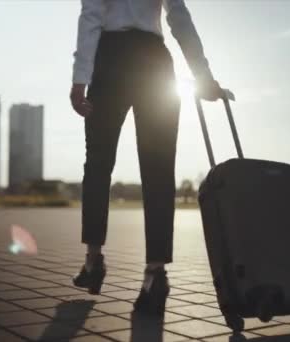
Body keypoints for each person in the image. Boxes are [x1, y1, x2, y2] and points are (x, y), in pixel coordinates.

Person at [70, 0, 224, 315]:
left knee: (98, 165)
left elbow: (91, 16)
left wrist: (79, 79)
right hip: (155, 61)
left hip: (111, 60)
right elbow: (180, 18)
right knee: (159, 170)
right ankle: (155, 274)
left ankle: (93, 261)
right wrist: (203, 76)